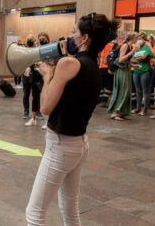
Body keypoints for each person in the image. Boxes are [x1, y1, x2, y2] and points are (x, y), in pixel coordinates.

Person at [26, 13, 120, 225]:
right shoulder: (92, 66)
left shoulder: (69, 64)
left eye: (74, 31)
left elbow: (45, 108)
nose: (70, 35)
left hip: (60, 145)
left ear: (85, 38)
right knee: (69, 208)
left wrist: (47, 75)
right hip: (78, 144)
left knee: (35, 213)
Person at [108, 32, 138, 120]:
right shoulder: (125, 46)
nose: (137, 38)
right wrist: (132, 52)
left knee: (127, 91)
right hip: (121, 71)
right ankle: (115, 113)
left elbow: (127, 60)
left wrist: (134, 64)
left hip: (126, 70)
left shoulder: (130, 46)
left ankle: (121, 112)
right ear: (132, 38)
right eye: (136, 37)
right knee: (122, 91)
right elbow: (121, 59)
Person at [25, 32, 50, 129]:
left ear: (47, 39)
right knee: (35, 97)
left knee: (45, 98)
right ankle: (33, 119)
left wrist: (42, 63)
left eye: (43, 38)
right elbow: (32, 60)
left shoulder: (49, 49)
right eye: (40, 38)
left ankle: (47, 120)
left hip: (44, 76)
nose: (42, 40)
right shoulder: (37, 49)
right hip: (35, 76)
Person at [131, 33, 153, 116]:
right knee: (138, 90)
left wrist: (136, 59)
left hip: (145, 71)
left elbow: (145, 57)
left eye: (141, 38)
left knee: (145, 91)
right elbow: (131, 59)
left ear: (144, 40)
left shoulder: (147, 48)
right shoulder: (137, 48)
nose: (139, 40)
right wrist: (137, 59)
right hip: (136, 71)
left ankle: (145, 110)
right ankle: (138, 108)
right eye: (138, 38)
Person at [22, 34, 43, 119]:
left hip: (36, 75)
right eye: (28, 39)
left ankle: (37, 111)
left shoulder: (38, 49)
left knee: (36, 94)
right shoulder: (23, 49)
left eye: (32, 39)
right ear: (26, 40)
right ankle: (26, 111)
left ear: (35, 40)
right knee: (26, 94)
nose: (30, 40)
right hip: (26, 75)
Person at [98, 40, 117, 107]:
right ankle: (104, 100)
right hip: (108, 67)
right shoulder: (113, 46)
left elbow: (99, 55)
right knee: (109, 85)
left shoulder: (103, 45)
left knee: (102, 85)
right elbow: (113, 57)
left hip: (101, 67)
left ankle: (100, 99)